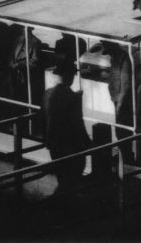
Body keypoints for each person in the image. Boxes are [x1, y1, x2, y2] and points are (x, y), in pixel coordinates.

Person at [41, 62, 91, 197]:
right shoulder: (72, 98)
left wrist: (47, 139)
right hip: (71, 145)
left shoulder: (47, 94)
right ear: (70, 77)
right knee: (73, 177)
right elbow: (77, 123)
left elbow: (42, 118)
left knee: (62, 177)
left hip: (54, 145)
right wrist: (88, 142)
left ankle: (61, 206)